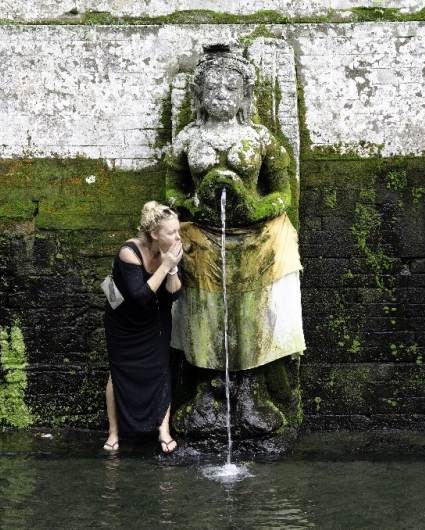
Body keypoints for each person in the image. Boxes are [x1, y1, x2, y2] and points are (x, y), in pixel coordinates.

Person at [165, 43, 305, 436]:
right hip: (203, 242)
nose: (221, 96)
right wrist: (192, 202)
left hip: (255, 241)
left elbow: (283, 194)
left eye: (230, 89)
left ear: (245, 95)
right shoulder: (186, 140)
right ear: (198, 95)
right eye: (212, 89)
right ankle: (208, 388)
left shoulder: (260, 138)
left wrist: (254, 209)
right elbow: (172, 192)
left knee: (254, 312)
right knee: (204, 313)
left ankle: (251, 387)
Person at [103, 201, 183, 452]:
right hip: (124, 322)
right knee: (118, 372)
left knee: (160, 368)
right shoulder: (130, 251)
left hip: (155, 320)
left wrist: (171, 270)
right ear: (154, 234)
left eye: (177, 230)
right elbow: (138, 297)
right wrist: (166, 266)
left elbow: (173, 295)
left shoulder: (172, 251)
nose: (178, 236)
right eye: (171, 232)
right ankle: (114, 433)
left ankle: (164, 430)